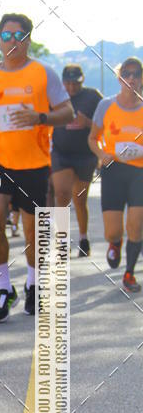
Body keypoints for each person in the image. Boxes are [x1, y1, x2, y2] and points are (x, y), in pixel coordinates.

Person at [0, 13, 74, 322]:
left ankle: (32, 284)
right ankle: (4, 288)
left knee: (32, 231)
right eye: (6, 36)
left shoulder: (44, 74)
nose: (12, 41)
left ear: (28, 39)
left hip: (34, 163)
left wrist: (40, 118)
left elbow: (68, 113)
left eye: (19, 36)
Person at [88, 57, 143, 292]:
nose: (132, 78)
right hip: (112, 170)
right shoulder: (106, 106)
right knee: (113, 230)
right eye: (127, 74)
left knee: (136, 225)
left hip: (139, 172)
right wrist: (102, 153)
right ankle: (115, 242)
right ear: (120, 77)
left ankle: (129, 273)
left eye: (137, 74)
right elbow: (92, 138)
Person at [51, 64, 102, 255]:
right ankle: (62, 243)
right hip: (61, 153)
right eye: (68, 83)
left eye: (75, 83)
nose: (71, 88)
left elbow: (106, 122)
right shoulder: (56, 96)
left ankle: (83, 238)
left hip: (85, 155)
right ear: (63, 82)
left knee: (79, 199)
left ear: (82, 81)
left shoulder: (93, 97)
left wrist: (88, 123)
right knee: (62, 195)